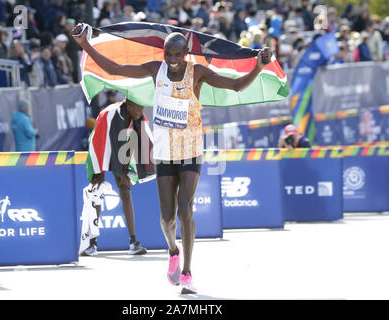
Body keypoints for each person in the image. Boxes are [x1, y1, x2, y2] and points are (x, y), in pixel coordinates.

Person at [72, 23, 271, 294]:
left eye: (178, 55)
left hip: (190, 151)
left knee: (185, 210)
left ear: (186, 54)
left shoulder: (197, 72)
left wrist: (258, 67)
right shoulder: (156, 70)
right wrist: (86, 46)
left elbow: (236, 86)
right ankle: (173, 251)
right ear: (164, 53)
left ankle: (187, 273)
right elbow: (116, 70)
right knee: (167, 219)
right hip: (165, 153)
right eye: (169, 55)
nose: (173, 61)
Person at [82, 97, 155, 256]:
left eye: (143, 108)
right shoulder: (113, 115)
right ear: (128, 106)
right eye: (138, 108)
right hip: (99, 144)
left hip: (119, 147)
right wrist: (121, 173)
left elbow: (132, 144)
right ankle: (91, 243)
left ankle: (133, 242)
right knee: (97, 190)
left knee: (125, 190)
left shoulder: (138, 117)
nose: (141, 111)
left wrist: (126, 172)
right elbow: (112, 147)